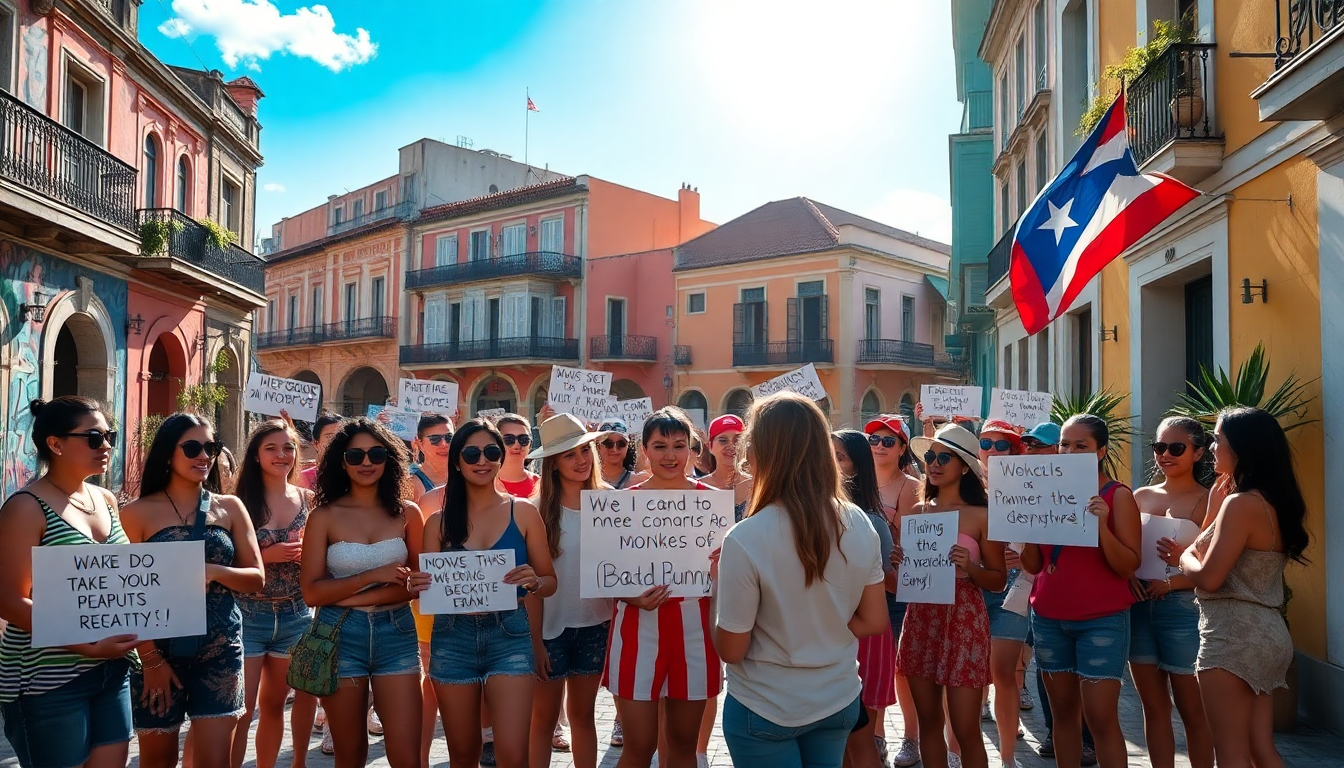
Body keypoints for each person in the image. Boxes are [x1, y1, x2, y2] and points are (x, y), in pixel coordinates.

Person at [713, 393, 887, 765]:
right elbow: (874, 620)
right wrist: (824, 622)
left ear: (762, 453)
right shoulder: (859, 523)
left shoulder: (745, 537)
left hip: (766, 704)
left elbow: (731, 649)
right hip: (837, 699)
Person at [0, 398, 141, 768]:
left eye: (108, 435)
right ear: (55, 444)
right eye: (94, 437)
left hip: (112, 671)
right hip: (46, 681)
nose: (107, 445)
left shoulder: (106, 500)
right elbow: (10, 601)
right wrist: (89, 645)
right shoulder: (25, 507)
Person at [121, 413, 264, 768]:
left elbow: (256, 578)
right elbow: (125, 596)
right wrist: (151, 659)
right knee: (158, 761)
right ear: (168, 454)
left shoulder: (230, 507)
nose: (204, 456)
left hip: (220, 648)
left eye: (211, 447)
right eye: (192, 447)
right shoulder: (136, 513)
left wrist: (213, 571)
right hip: (157, 652)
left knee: (215, 762)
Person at [411, 418, 555, 768]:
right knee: (462, 753)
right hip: (452, 638)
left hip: (510, 636)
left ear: (501, 456)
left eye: (491, 451)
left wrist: (535, 580)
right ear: (457, 460)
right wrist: (415, 586)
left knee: (512, 754)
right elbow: (422, 594)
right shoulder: (438, 523)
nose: (482, 460)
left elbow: (550, 582)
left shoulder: (523, 512)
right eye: (471, 452)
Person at [1177, 407, 1308, 768]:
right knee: (1260, 749)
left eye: (1218, 439)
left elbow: (1207, 575)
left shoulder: (1240, 504)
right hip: (1268, 632)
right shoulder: (1272, 501)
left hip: (1232, 633)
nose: (1212, 445)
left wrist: (1184, 556)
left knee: (1231, 754)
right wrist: (1215, 511)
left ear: (1242, 447)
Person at [300, 418, 424, 768]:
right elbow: (311, 592)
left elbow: (413, 587)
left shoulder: (408, 513)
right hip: (339, 637)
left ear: (390, 460)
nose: (366, 462)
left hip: (396, 632)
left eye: (376, 454)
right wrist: (375, 576)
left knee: (406, 755)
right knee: (349, 753)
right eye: (355, 455)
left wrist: (347, 596)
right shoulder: (323, 516)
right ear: (341, 461)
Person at [1020, 414, 1141, 768]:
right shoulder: (1045, 494)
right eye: (1064, 444)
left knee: (1101, 719)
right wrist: (1026, 523)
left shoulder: (1117, 496)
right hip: (1048, 619)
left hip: (1101, 622)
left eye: (1081, 446)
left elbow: (1128, 565)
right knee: (1062, 717)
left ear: (1100, 451)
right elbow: (1033, 565)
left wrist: (1101, 526)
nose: (1069, 451)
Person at [604, 407, 720, 768]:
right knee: (638, 747)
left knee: (684, 748)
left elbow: (731, 577)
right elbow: (603, 572)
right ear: (644, 449)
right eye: (660, 446)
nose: (670, 455)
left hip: (697, 630)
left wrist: (723, 565)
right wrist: (627, 593)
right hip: (637, 627)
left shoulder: (713, 504)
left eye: (679, 445)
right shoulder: (620, 505)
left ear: (692, 449)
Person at [899, 424, 1006, 768]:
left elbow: (998, 581)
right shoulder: (916, 514)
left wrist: (971, 568)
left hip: (964, 618)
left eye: (945, 457)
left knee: (965, 728)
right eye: (930, 456)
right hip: (921, 618)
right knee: (929, 723)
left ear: (964, 466)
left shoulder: (982, 515)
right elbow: (905, 579)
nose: (934, 463)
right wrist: (900, 564)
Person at [524, 414, 612, 768]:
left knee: (584, 717)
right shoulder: (534, 511)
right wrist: (534, 641)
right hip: (549, 630)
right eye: (569, 454)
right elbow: (531, 586)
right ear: (553, 465)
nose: (581, 460)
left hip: (597, 625)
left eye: (585, 450)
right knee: (543, 720)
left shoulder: (612, 503)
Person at [231, 420, 319, 768]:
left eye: (288, 448)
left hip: (295, 614)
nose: (281, 455)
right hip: (246, 614)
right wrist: (265, 557)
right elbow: (220, 559)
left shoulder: (309, 499)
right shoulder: (237, 503)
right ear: (255, 454)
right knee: (241, 708)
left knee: (277, 704)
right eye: (271, 448)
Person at [1126, 416, 1214, 768]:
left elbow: (1218, 568)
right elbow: (1127, 551)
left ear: (1197, 453)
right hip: (1138, 607)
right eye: (1159, 447)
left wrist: (1172, 583)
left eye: (1175, 448)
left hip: (1184, 608)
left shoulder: (1210, 502)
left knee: (1194, 710)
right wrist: (1127, 575)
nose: (1164, 454)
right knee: (1153, 708)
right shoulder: (1139, 496)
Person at [832, 429, 899, 768]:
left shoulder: (873, 522)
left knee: (861, 736)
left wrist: (883, 568)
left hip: (867, 635)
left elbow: (892, 586)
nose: (829, 462)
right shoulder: (810, 516)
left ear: (856, 467)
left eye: (839, 457)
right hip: (828, 632)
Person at [862, 415, 921, 768]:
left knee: (901, 669)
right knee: (874, 668)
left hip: (898, 590)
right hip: (865, 588)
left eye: (888, 440)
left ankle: (910, 739)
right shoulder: (853, 483)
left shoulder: (911, 487)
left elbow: (913, 547)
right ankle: (876, 735)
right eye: (873, 440)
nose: (880, 446)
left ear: (902, 448)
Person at [972, 419, 1028, 764]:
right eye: (986, 443)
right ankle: (960, 750)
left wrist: (1025, 558)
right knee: (970, 675)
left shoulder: (1033, 486)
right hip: (972, 587)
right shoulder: (965, 487)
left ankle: (1007, 758)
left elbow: (1048, 543)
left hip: (1015, 590)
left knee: (1003, 674)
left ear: (1016, 450)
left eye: (1002, 444)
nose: (992, 450)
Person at [595, 419, 649, 490]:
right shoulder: (588, 481)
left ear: (627, 446)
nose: (614, 449)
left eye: (621, 444)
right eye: (608, 443)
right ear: (598, 446)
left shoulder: (640, 481)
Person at [495, 414, 540, 498]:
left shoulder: (540, 484)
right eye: (509, 439)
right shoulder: (485, 483)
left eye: (523, 440)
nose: (517, 445)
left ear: (530, 445)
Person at [410, 414, 453, 499]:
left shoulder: (466, 474)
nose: (444, 444)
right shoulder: (412, 484)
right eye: (435, 439)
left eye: (449, 437)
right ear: (420, 443)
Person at [300, 412, 345, 491]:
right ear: (316, 443)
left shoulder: (356, 474)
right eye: (329, 436)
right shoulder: (303, 478)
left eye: (340, 436)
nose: (334, 440)